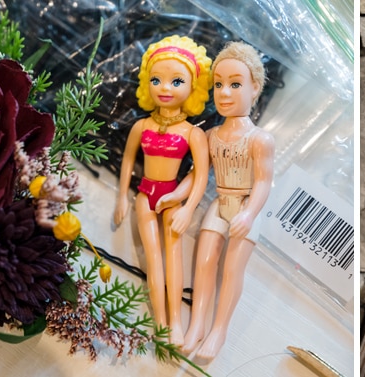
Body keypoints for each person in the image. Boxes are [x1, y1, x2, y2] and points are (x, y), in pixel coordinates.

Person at [164, 41, 274, 362]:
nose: (224, 93)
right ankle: (197, 323)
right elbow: (198, 175)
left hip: (245, 206)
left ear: (255, 88)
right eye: (219, 85)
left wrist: (250, 214)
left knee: (232, 269)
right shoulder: (211, 136)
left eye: (235, 84)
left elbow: (265, 182)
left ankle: (219, 329)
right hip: (220, 201)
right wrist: (176, 195)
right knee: (205, 260)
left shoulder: (260, 139)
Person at [113, 35, 212, 346]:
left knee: (174, 260)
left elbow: (201, 174)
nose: (165, 88)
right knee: (154, 261)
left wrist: (187, 206)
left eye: (176, 81)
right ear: (147, 83)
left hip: (171, 199)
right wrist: (121, 198)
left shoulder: (193, 133)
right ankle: (161, 324)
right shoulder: (141, 127)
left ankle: (177, 325)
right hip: (144, 196)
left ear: (193, 88)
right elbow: (129, 159)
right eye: (157, 79)